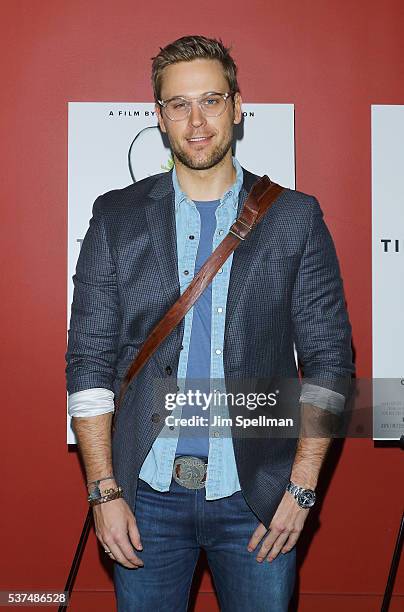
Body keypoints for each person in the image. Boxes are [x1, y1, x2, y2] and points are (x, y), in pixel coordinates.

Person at [65, 35, 354, 612]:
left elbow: (330, 363)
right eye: (179, 105)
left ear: (238, 106)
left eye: (211, 100)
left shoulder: (295, 217)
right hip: (145, 496)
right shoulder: (116, 216)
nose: (196, 121)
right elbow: (89, 362)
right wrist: (103, 491)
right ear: (160, 117)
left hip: (258, 498)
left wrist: (301, 489)